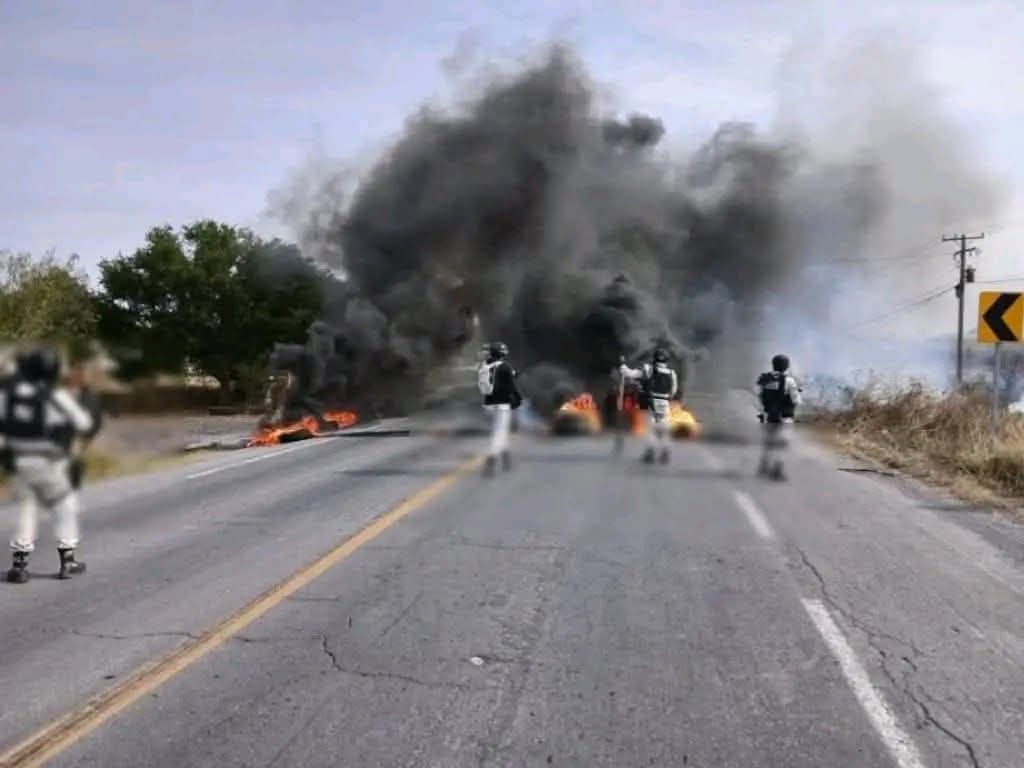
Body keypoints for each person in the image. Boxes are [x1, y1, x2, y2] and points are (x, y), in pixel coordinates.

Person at [1, 346, 95, 583]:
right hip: (50, 463)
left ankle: (19, 565)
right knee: (64, 508)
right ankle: (67, 560)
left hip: (19, 463)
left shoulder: (8, 395)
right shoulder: (54, 396)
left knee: (25, 509)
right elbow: (83, 423)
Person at [620, 348, 679, 464]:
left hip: (652, 402)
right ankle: (665, 453)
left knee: (652, 429)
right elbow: (673, 391)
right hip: (664, 403)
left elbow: (631, 374)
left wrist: (623, 368)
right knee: (664, 430)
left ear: (654, 358)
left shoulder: (648, 369)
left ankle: (650, 453)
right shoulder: (672, 373)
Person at [477, 342, 522, 476]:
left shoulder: (484, 366)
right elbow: (512, 384)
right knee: (499, 432)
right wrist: (518, 398)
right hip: (502, 405)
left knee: (499, 430)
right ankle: (492, 457)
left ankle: (505, 455)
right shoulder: (505, 367)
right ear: (503, 353)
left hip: (488, 405)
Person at [756, 353, 802, 481]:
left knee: (769, 442)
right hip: (784, 417)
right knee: (782, 444)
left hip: (768, 416)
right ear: (786, 366)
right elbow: (796, 400)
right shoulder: (789, 381)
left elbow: (759, 395)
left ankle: (763, 465)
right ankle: (777, 469)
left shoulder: (765, 379)